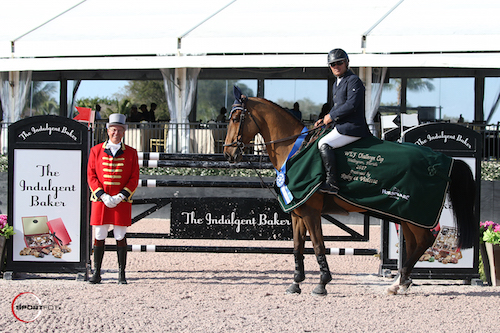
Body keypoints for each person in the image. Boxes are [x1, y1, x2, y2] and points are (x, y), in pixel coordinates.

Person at [87, 113, 140, 284]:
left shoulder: (131, 153)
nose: (116, 133)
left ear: (124, 132)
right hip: (100, 200)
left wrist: (121, 196)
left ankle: (121, 273)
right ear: (108, 131)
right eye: (113, 130)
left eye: (119, 130)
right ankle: (96, 272)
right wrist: (102, 195)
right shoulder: (95, 150)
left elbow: (134, 177)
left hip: (121, 201)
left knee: (120, 235)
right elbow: (91, 175)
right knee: (99, 234)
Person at [314, 48, 372, 194]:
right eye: (333, 64)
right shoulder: (337, 83)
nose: (336, 66)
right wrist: (325, 118)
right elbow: (337, 107)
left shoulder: (353, 81)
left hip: (353, 127)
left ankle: (332, 183)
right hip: (342, 125)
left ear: (346, 63)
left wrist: (331, 117)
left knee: (323, 143)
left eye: (339, 63)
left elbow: (351, 105)